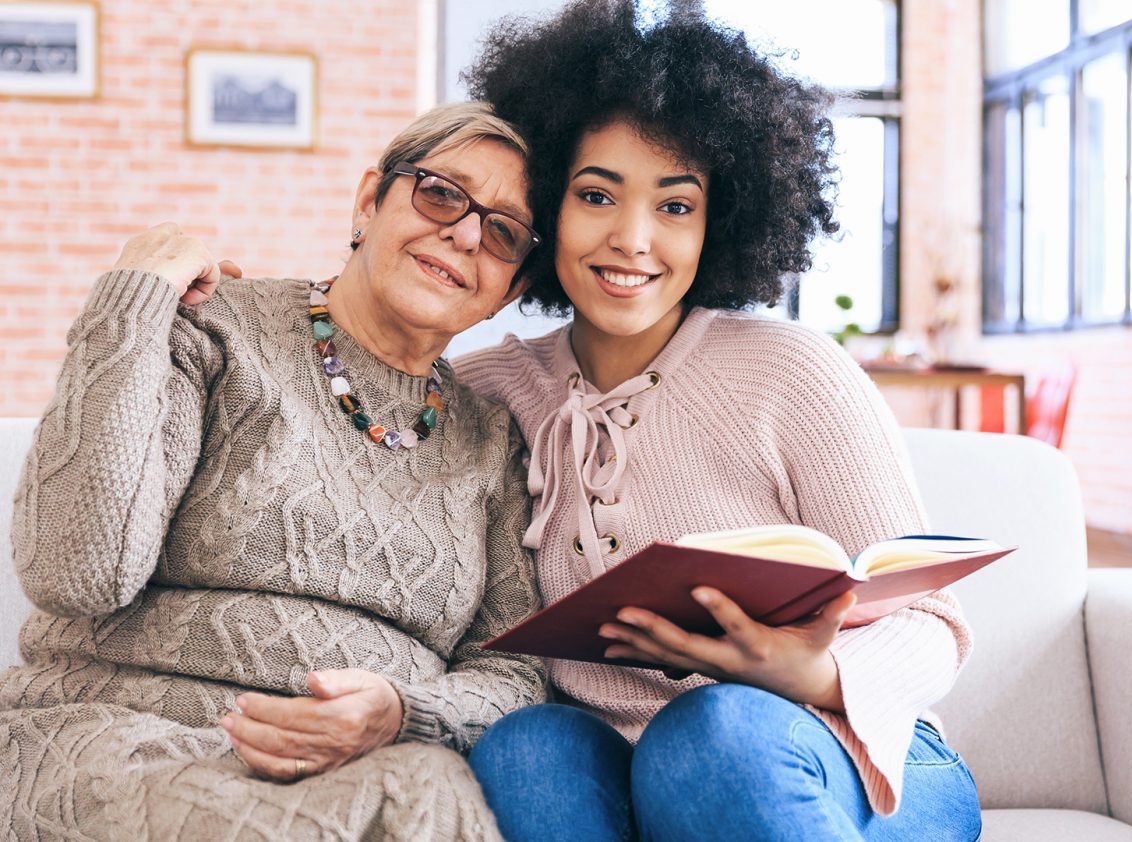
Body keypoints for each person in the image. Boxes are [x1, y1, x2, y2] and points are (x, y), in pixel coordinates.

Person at [451, 3, 983, 840]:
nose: (632, 240)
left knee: (711, 733)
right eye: (596, 195)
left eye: (674, 206)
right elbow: (352, 402)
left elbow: (932, 623)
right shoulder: (489, 390)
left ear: (719, 224)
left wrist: (813, 673)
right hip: (615, 760)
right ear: (545, 204)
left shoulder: (790, 371)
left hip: (844, 753)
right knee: (523, 746)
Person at [1, 102, 545, 841]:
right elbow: (77, 573)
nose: (468, 232)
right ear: (368, 202)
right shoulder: (214, 326)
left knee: (430, 793)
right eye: (441, 193)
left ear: (508, 290)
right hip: (125, 739)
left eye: (504, 231)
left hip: (357, 770)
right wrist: (132, 300)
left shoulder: (489, 441)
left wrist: (402, 711)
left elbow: (513, 674)